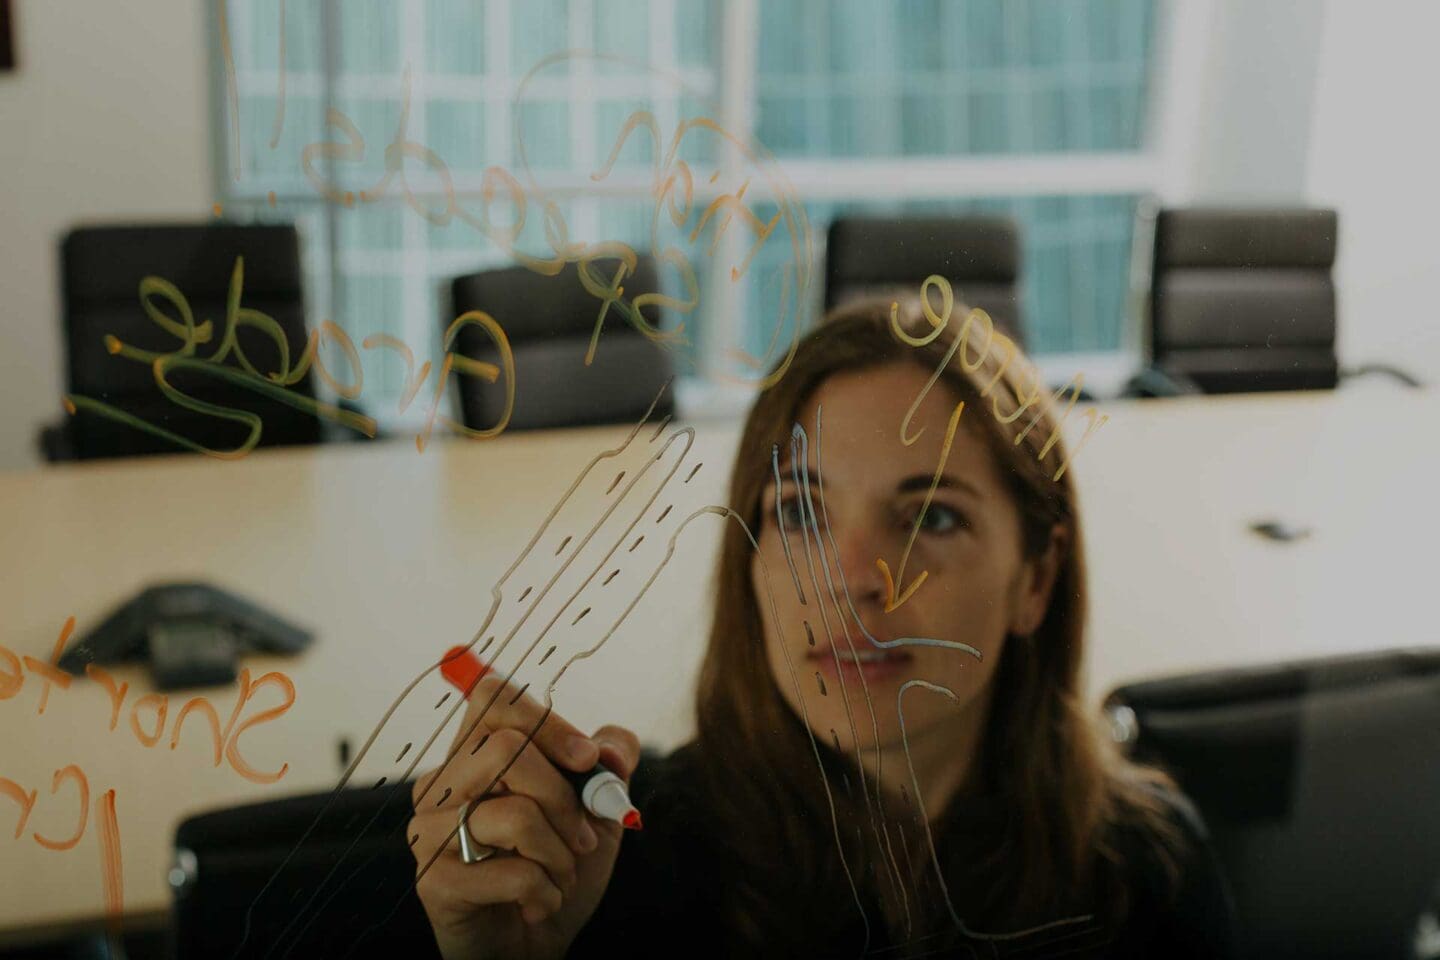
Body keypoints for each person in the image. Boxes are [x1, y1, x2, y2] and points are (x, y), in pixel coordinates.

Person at [404, 293, 1239, 959]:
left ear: (1038, 577)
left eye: (931, 520)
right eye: (801, 511)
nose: (848, 581)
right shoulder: (619, 865)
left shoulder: (1145, 871)